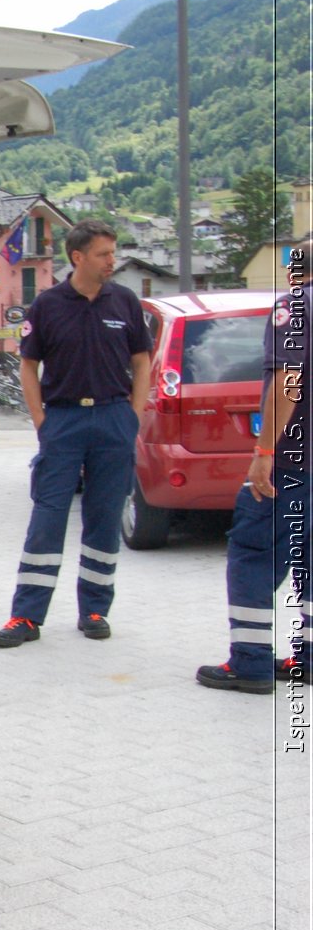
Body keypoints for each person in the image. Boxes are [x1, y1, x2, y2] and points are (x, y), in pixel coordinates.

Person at [0, 219, 152, 648]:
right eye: (104, 254)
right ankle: (26, 617)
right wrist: (41, 420)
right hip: (63, 421)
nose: (111, 261)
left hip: (114, 420)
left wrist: (132, 415)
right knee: (48, 517)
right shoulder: (47, 305)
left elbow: (142, 361)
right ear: (77, 257)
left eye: (113, 253)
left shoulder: (125, 302)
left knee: (103, 516)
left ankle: (95, 609)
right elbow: (28, 364)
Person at [196, 239, 310, 693]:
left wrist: (264, 453)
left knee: (252, 552)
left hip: (293, 461)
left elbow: (288, 381)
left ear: (293, 272)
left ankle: (250, 662)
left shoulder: (294, 307)